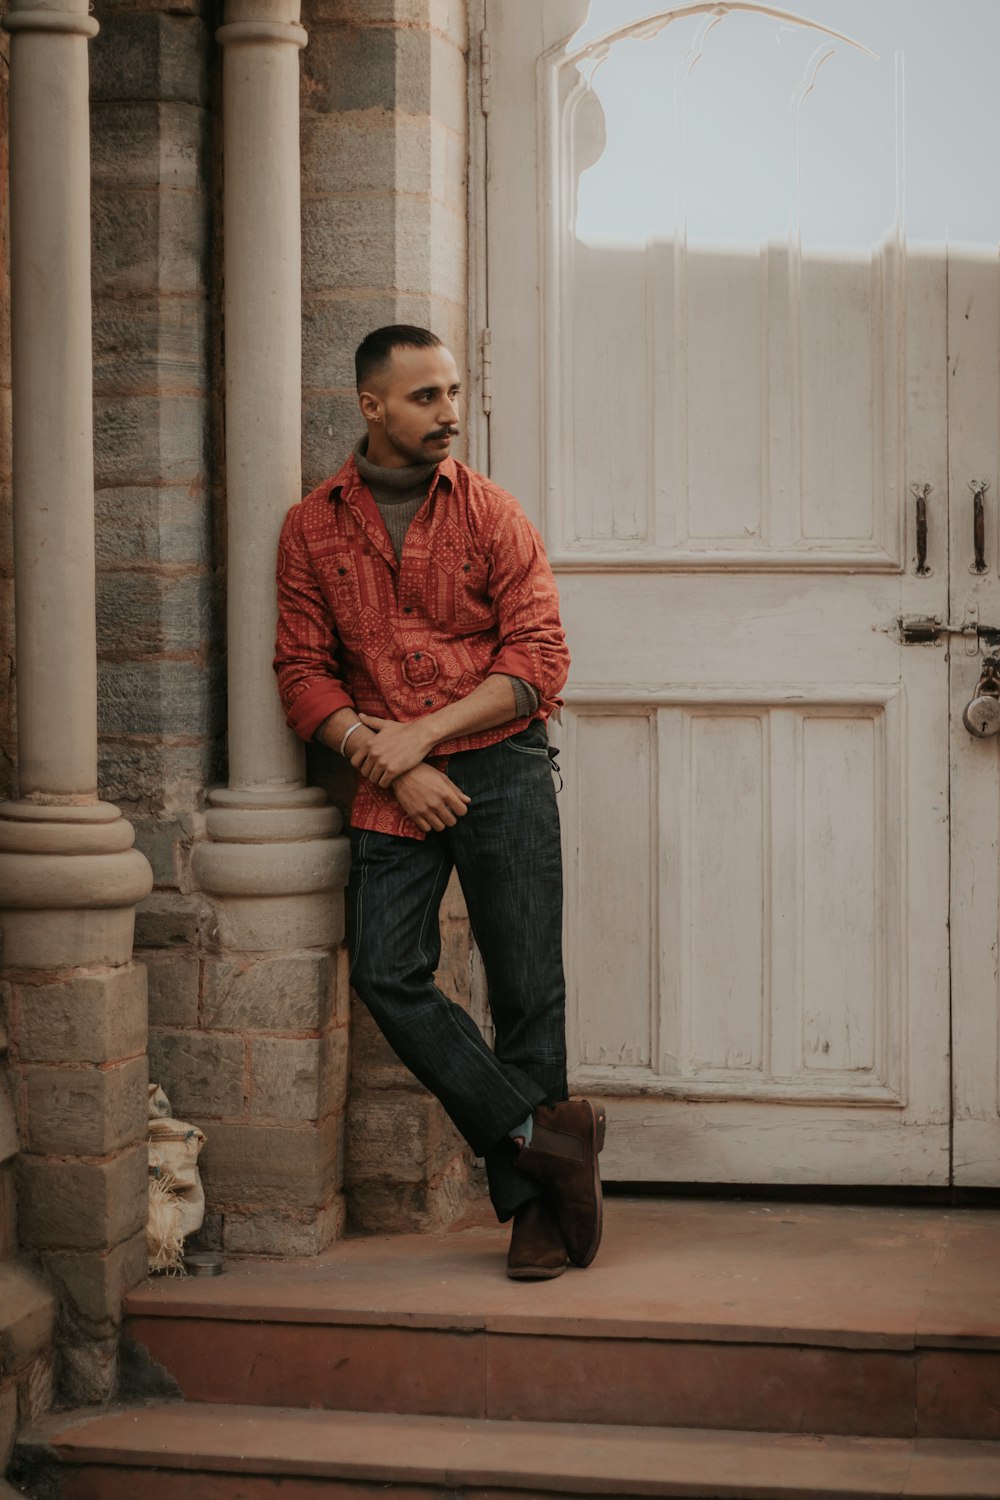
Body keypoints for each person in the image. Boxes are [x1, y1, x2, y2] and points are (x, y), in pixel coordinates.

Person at [274, 325, 605, 1280]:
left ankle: (535, 1212)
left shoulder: (493, 513)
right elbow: (300, 673)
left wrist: (422, 735)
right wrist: (392, 762)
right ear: (371, 407)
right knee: (387, 971)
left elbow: (540, 662)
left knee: (525, 988)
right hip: (393, 784)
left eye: (453, 393)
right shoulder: (310, 528)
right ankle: (543, 1141)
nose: (448, 413)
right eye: (425, 397)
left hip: (498, 764)